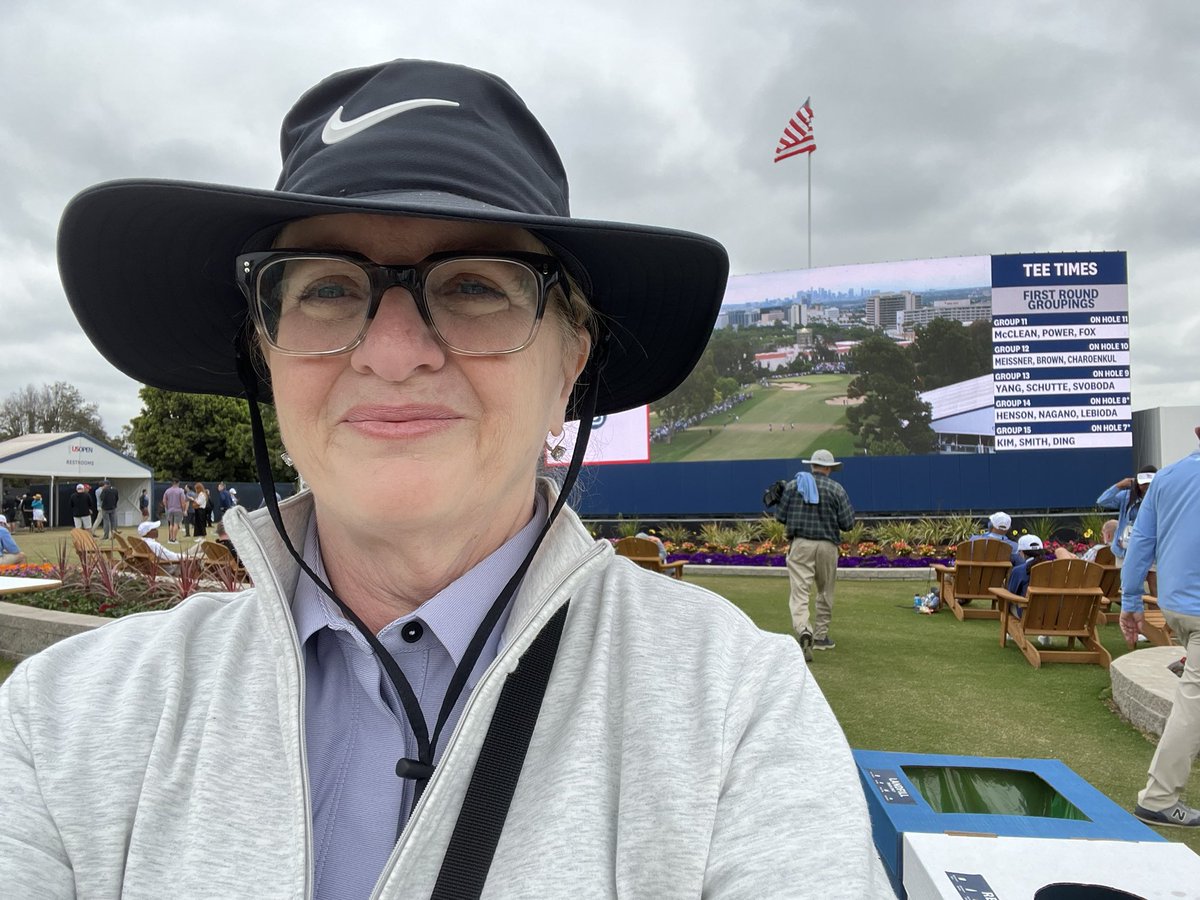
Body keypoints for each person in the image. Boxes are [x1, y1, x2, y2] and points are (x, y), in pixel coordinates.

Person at [1, 59, 891, 897]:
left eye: (472, 286)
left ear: (569, 367)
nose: (393, 353)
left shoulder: (735, 707)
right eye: (327, 289)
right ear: (263, 354)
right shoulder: (67, 722)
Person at [1119, 427, 1200, 828]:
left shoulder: (1166, 478)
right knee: (1194, 701)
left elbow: (1141, 544)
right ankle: (1159, 797)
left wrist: (1131, 600)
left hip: (1177, 608)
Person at [774, 448, 856, 661]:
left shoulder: (794, 486)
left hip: (801, 544)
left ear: (811, 465)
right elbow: (848, 524)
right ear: (829, 468)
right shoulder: (836, 489)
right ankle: (820, 636)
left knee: (800, 592)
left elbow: (780, 516)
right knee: (825, 591)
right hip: (827, 546)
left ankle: (803, 630)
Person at [1097, 465, 1157, 566]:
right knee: (1127, 581)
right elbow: (1102, 501)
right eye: (1144, 483)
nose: (1146, 486)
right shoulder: (1127, 496)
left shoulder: (1158, 498)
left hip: (1149, 550)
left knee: (1152, 579)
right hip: (1124, 550)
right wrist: (1119, 485)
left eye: (1150, 483)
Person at [160, 478, 187, 543]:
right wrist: (183, 510)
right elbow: (183, 501)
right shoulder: (180, 491)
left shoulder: (167, 491)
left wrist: (167, 507)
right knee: (176, 524)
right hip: (178, 509)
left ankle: (171, 538)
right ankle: (174, 539)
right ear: (178, 483)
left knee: (171, 524)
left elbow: (164, 501)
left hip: (170, 509)